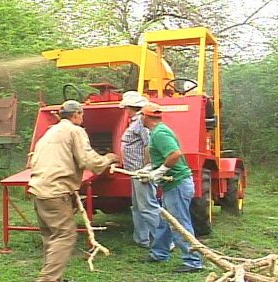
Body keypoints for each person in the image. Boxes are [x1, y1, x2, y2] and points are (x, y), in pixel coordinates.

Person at [28, 100, 119, 282]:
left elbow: (33, 159)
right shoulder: (75, 130)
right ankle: (48, 280)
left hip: (39, 189)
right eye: (82, 114)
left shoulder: (50, 131)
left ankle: (55, 278)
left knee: (52, 238)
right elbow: (90, 162)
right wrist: (110, 157)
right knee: (65, 236)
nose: (82, 117)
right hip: (56, 191)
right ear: (76, 114)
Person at [140, 102, 203, 273]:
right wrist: (148, 170)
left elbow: (175, 154)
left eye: (141, 116)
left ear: (146, 117)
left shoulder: (160, 133)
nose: (140, 119)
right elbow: (161, 157)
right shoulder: (157, 132)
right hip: (172, 185)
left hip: (177, 184)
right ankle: (159, 253)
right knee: (165, 221)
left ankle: (193, 261)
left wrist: (160, 171)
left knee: (179, 223)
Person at [119, 91, 160, 248]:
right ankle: (141, 238)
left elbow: (149, 145)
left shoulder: (141, 123)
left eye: (126, 108)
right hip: (134, 171)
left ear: (131, 108)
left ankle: (163, 241)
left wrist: (147, 168)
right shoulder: (135, 122)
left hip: (140, 171)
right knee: (137, 206)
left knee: (148, 206)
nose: (125, 111)